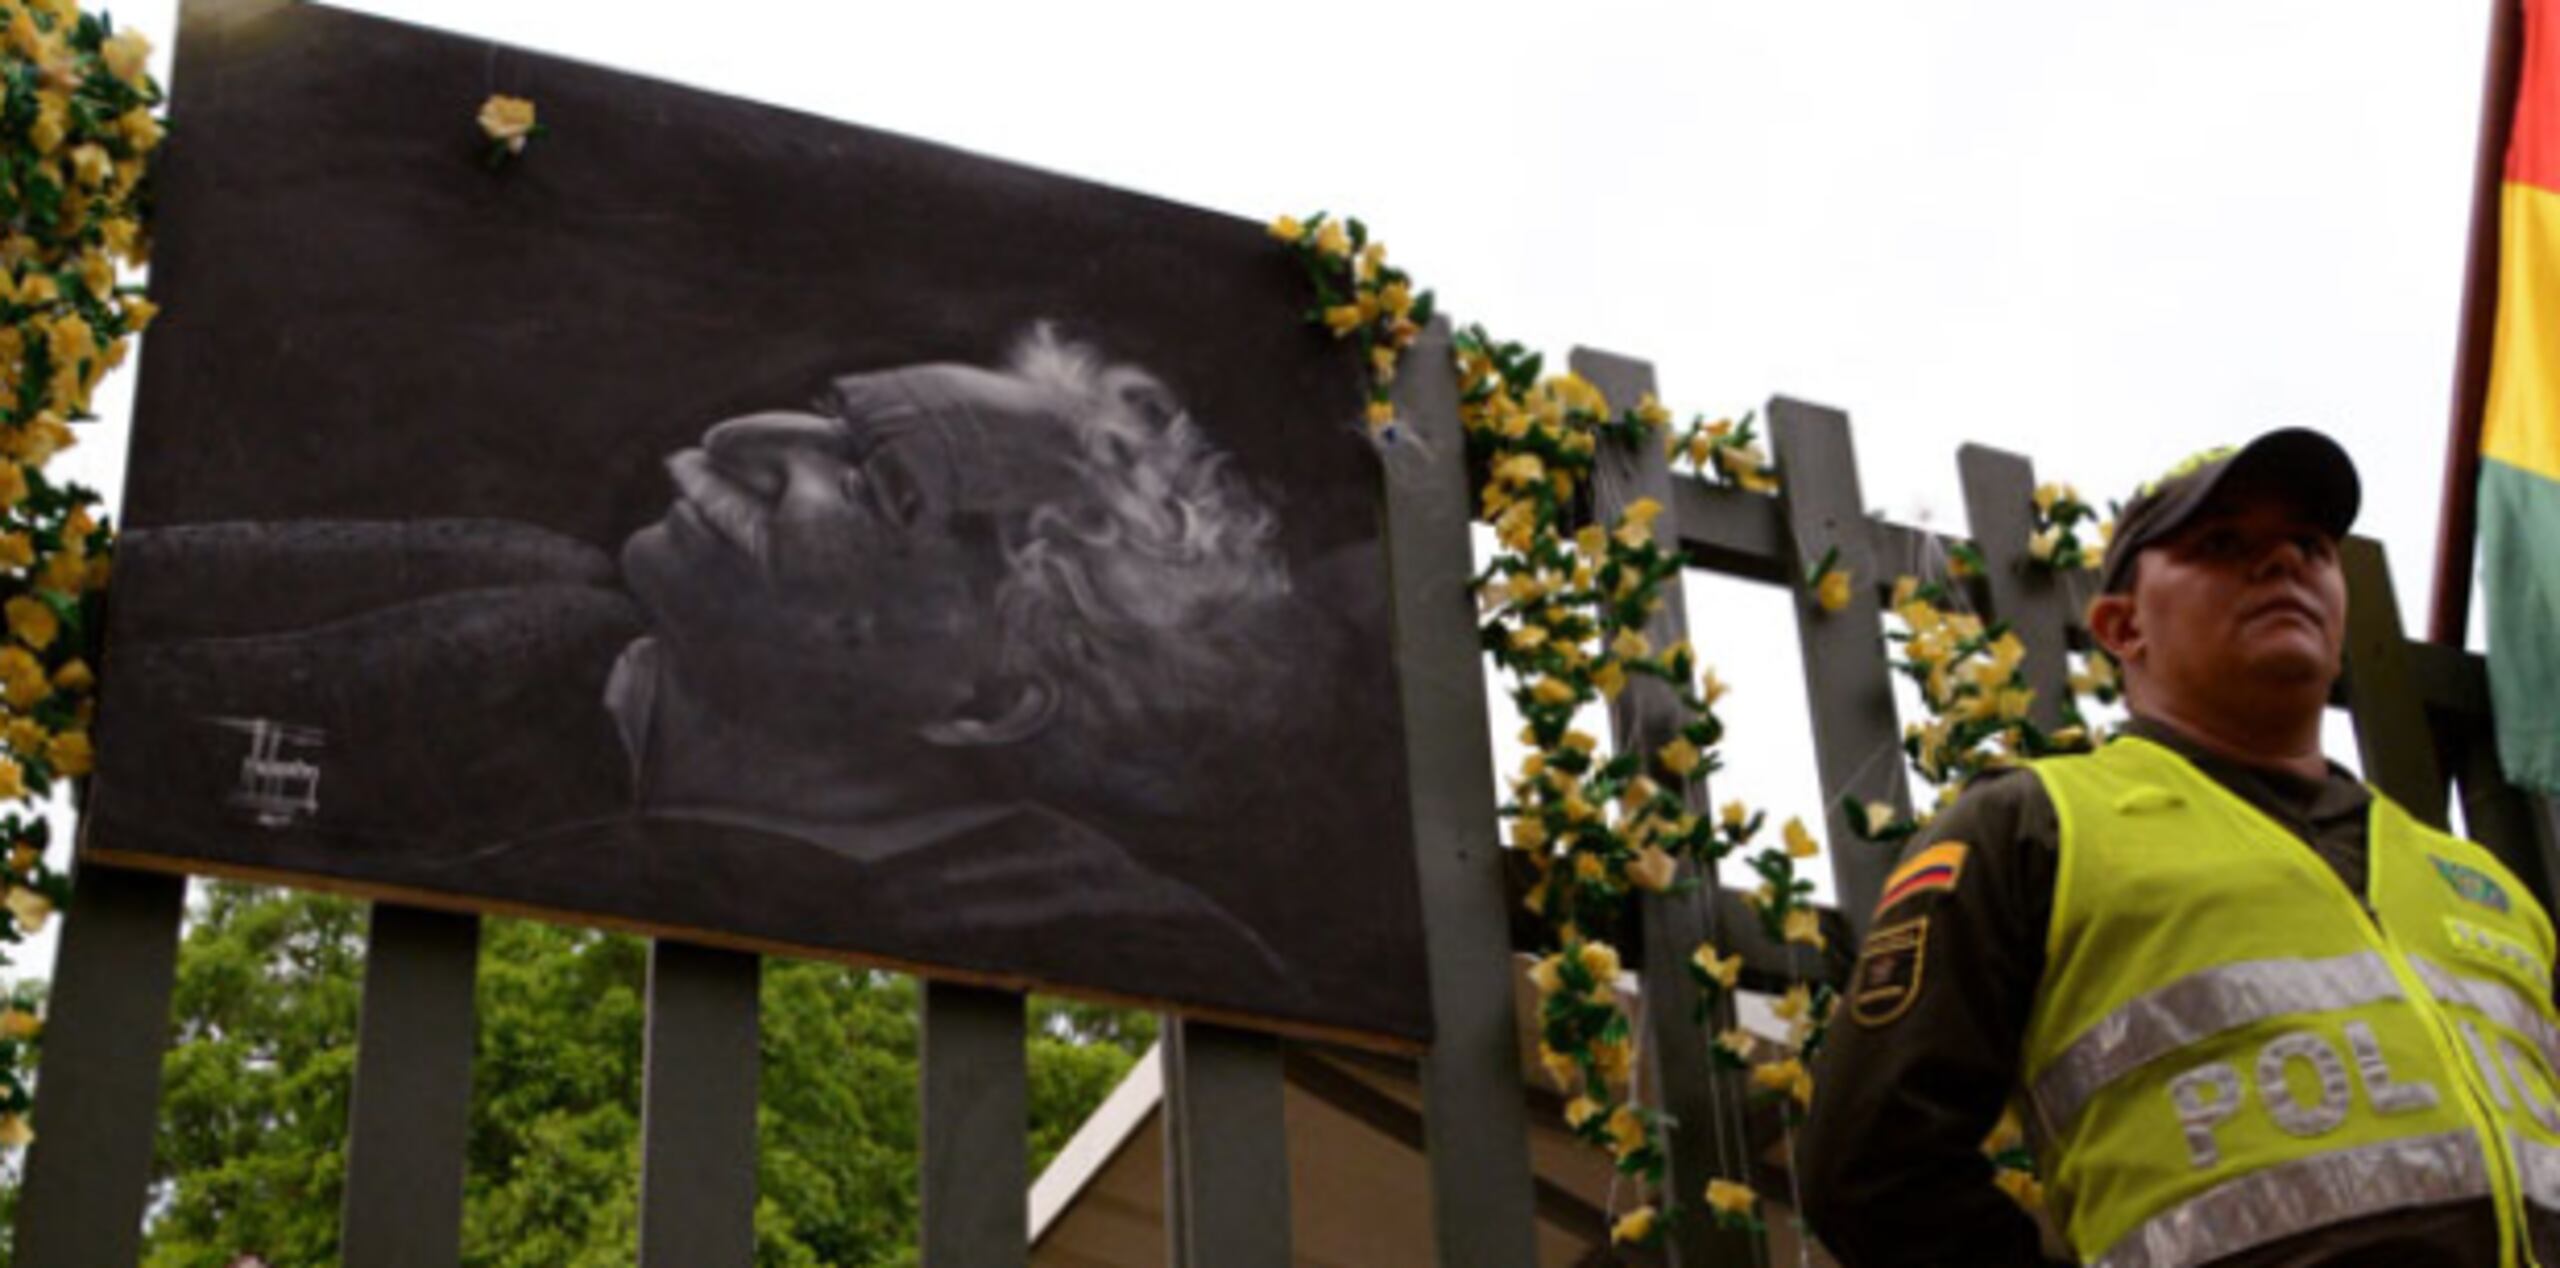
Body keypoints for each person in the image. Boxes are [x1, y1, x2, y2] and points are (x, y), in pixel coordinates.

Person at [94, 326, 1354, 1019]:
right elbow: (77, 631)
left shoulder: (1112, 948)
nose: (742, 439)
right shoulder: (501, 589)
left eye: (883, 486)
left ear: (983, 700)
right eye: (832, 414)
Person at [1800, 429, 2560, 1267]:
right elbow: (1872, 1170)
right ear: (2123, 627)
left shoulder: (2480, 883)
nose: (2283, 564)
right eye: (2223, 544)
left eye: (2309, 545)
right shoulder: (2034, 827)